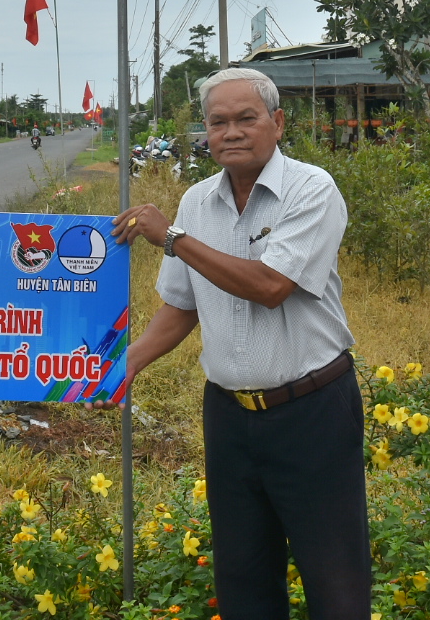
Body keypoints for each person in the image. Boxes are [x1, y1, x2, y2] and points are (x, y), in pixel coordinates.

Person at [113, 67, 367, 620]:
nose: (230, 132)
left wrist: (174, 240)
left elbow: (270, 286)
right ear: (205, 132)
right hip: (229, 417)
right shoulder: (197, 202)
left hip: (312, 411)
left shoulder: (311, 189)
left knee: (335, 580)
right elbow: (182, 306)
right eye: (218, 122)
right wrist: (124, 364)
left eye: (246, 119)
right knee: (243, 577)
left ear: (276, 123)